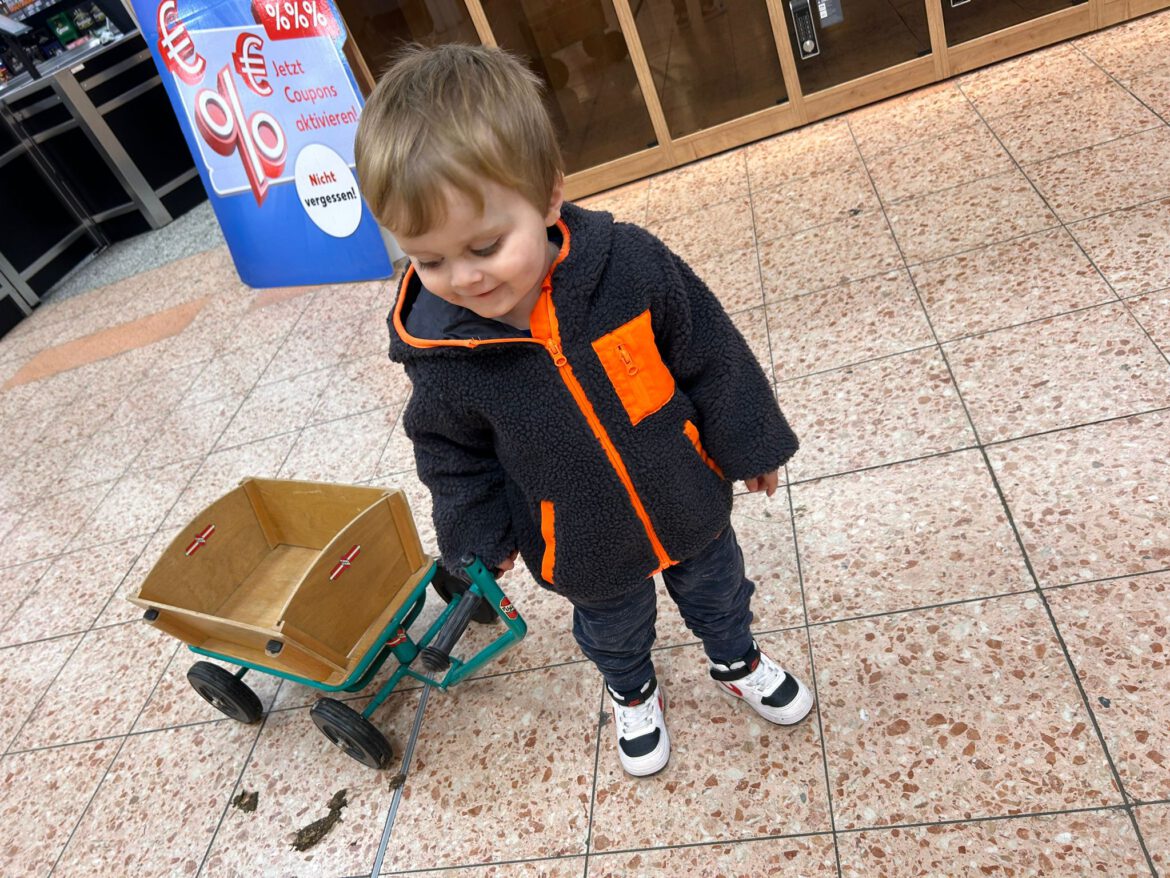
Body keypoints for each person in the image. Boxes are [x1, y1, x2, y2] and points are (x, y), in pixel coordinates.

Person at [354, 43, 813, 777]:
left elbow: (709, 350)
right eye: (428, 261)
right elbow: (450, 454)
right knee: (612, 626)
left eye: (485, 245)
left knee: (719, 586)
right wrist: (477, 535)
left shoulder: (628, 266)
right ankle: (632, 690)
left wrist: (749, 442)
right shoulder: (440, 357)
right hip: (581, 541)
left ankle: (736, 658)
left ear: (547, 199)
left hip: (685, 494)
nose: (463, 278)